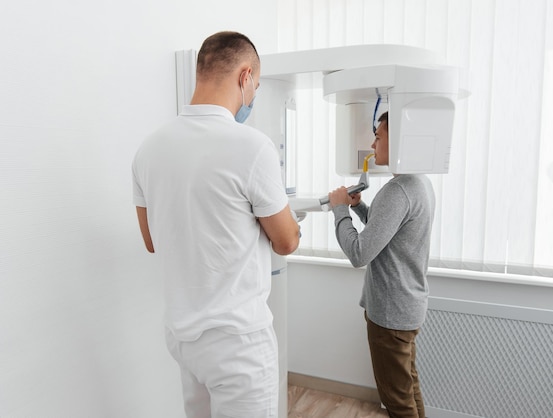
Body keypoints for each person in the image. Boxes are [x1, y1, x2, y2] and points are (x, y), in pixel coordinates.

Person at [132, 31, 300, 418]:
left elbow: (152, 240)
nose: (253, 97)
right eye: (255, 86)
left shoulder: (149, 148)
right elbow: (287, 241)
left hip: (182, 336)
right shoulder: (252, 146)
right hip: (237, 343)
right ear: (245, 77)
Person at [327, 111, 435, 418]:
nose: (373, 144)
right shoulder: (419, 183)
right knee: (408, 389)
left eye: (379, 136)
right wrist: (357, 205)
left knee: (397, 401)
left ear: (399, 141)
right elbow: (389, 231)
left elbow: (359, 253)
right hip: (406, 308)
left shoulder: (397, 191)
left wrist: (339, 212)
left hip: (390, 316)